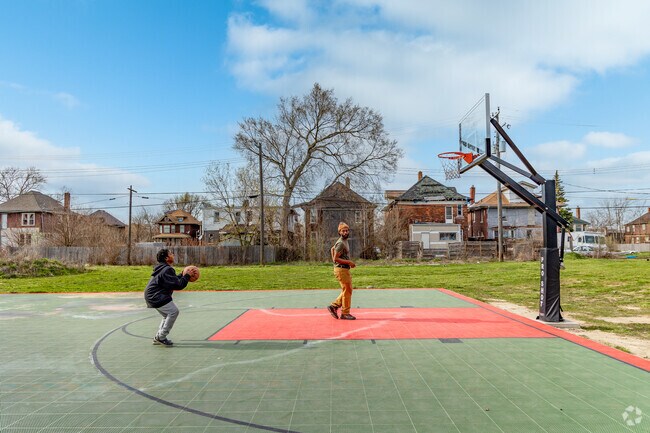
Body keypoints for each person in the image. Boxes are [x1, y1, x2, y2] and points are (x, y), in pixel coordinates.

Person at [144, 248, 195, 346]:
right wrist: (187, 276)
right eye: (171, 254)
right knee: (173, 312)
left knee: (166, 315)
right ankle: (161, 337)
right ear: (167, 258)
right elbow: (178, 285)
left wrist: (182, 275)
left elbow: (173, 281)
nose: (173, 255)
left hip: (151, 295)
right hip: (156, 296)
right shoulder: (167, 269)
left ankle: (158, 337)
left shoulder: (163, 268)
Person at [327, 222, 356, 320]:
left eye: (347, 230)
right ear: (339, 232)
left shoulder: (343, 241)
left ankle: (334, 306)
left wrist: (336, 262)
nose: (346, 232)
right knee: (347, 290)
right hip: (341, 269)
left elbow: (332, 249)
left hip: (343, 269)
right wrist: (349, 262)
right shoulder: (340, 243)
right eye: (343, 231)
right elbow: (336, 258)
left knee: (347, 290)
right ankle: (345, 313)